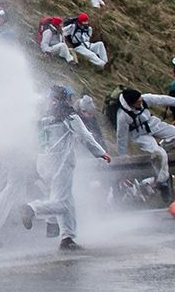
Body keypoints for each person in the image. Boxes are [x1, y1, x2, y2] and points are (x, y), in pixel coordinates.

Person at [18, 87, 111, 249]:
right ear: (64, 99)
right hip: (60, 161)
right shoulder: (67, 114)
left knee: (67, 199)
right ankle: (32, 209)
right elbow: (84, 135)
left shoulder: (42, 116)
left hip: (43, 161)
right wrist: (100, 152)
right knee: (62, 202)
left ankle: (67, 238)